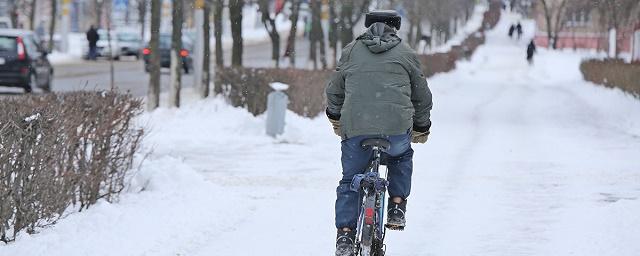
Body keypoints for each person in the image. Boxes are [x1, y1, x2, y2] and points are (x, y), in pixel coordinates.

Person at [325, 10, 432, 256]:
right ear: (396, 28)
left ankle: (345, 235)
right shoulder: (406, 54)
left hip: (357, 130)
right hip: (395, 129)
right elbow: (422, 96)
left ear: (367, 26)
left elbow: (334, 91)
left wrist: (336, 117)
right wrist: (421, 126)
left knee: (350, 180)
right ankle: (396, 206)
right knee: (400, 157)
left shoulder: (351, 50)